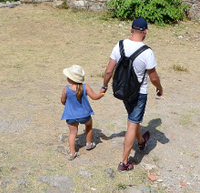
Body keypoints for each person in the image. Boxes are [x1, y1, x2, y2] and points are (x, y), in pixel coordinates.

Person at [101, 18, 163, 171]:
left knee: (133, 119)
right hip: (139, 93)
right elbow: (153, 77)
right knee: (132, 123)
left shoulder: (119, 45)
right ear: (145, 31)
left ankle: (141, 141)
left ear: (131, 29)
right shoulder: (147, 52)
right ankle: (124, 162)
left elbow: (109, 70)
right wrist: (159, 88)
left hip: (123, 91)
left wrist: (104, 86)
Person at [60, 65, 104, 160]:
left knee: (72, 133)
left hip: (71, 116)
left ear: (70, 79)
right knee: (89, 126)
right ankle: (88, 143)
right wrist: (102, 93)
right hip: (84, 115)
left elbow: (63, 101)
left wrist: (67, 105)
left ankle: (72, 153)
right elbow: (95, 97)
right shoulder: (85, 87)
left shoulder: (66, 89)